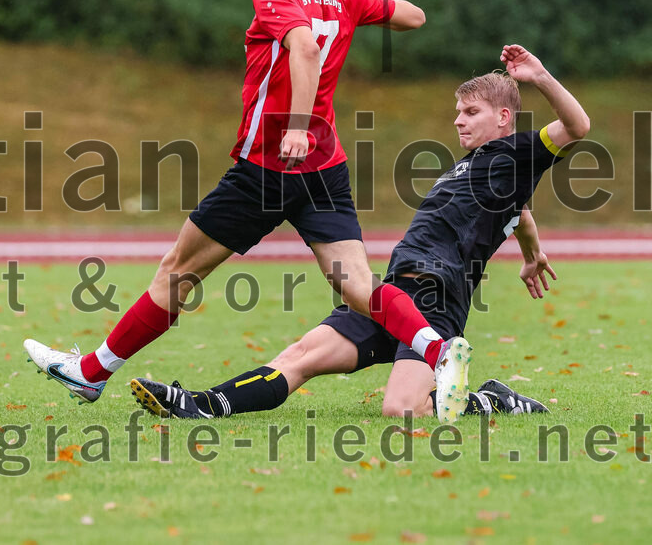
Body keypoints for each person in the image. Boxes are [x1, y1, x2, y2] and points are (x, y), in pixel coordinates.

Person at [26, 0, 476, 421]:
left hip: (267, 166)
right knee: (357, 283)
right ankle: (439, 352)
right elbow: (413, 15)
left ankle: (91, 374)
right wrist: (354, 11)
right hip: (325, 168)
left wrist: (298, 128)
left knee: (177, 272)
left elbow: (304, 47)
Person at [130, 45, 588, 421]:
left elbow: (577, 126)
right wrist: (532, 254)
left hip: (436, 297)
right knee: (302, 355)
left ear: (505, 118)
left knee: (401, 411)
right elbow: (519, 211)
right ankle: (200, 405)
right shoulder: (478, 167)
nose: (458, 120)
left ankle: (492, 399)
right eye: (457, 111)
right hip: (390, 293)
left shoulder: (519, 151)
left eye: (471, 111)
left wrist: (541, 76)